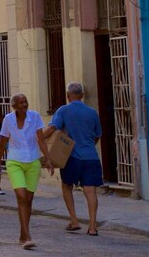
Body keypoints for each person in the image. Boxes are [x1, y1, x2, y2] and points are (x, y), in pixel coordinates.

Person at [44, 82, 104, 236]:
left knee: (66, 186)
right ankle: (92, 226)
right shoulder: (93, 112)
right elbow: (97, 136)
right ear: (82, 96)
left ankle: (74, 220)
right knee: (91, 191)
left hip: (71, 157)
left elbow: (52, 128)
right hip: (91, 157)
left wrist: (36, 139)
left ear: (67, 95)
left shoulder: (63, 110)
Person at [0, 93, 53, 250]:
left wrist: (48, 159)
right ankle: (27, 236)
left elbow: (40, 139)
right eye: (21, 102)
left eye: (25, 101)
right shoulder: (8, 120)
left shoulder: (34, 117)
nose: (24, 104)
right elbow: (2, 143)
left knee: (28, 199)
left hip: (33, 162)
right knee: (21, 196)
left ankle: (23, 234)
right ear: (14, 106)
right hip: (15, 161)